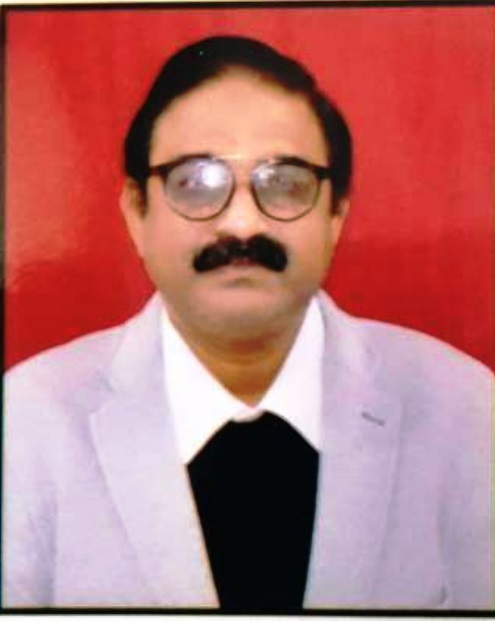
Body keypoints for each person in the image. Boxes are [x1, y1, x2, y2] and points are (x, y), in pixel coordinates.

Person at [3, 35, 492, 612]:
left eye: (284, 183)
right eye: (195, 183)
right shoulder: (26, 424)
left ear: (336, 213)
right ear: (136, 212)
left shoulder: (469, 413)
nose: (240, 224)